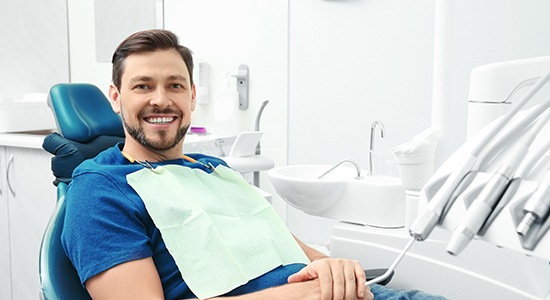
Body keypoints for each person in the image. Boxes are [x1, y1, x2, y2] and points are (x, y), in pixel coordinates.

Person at [61, 29, 446, 300]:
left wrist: (333, 267)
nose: (161, 100)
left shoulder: (216, 170)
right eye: (142, 86)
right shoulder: (99, 189)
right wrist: (306, 293)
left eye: (175, 85)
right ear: (116, 97)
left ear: (192, 96)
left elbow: (287, 246)